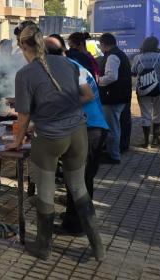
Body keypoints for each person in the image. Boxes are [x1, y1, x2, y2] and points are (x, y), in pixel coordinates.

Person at [9, 22, 104, 261]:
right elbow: (83, 94)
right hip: (79, 132)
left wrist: (17, 142)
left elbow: (23, 116)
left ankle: (44, 246)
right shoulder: (67, 62)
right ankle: (98, 247)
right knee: (79, 188)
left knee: (46, 192)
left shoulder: (25, 73)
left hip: (50, 138)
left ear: (23, 46)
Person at [43, 35, 109, 237]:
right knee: (79, 179)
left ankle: (77, 226)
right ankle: (76, 217)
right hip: (88, 128)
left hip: (89, 129)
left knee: (79, 180)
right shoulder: (69, 65)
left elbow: (86, 96)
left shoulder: (68, 68)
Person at [131, 37, 160, 148]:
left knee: (145, 114)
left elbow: (133, 73)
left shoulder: (137, 58)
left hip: (143, 90)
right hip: (159, 89)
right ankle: (155, 138)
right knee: (158, 113)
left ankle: (145, 141)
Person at [97, 33, 132, 165]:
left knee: (112, 128)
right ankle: (113, 152)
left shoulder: (112, 56)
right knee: (115, 126)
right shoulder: (120, 54)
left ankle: (113, 155)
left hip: (113, 97)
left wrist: (96, 81)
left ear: (104, 44)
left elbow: (111, 77)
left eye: (100, 45)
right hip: (120, 96)